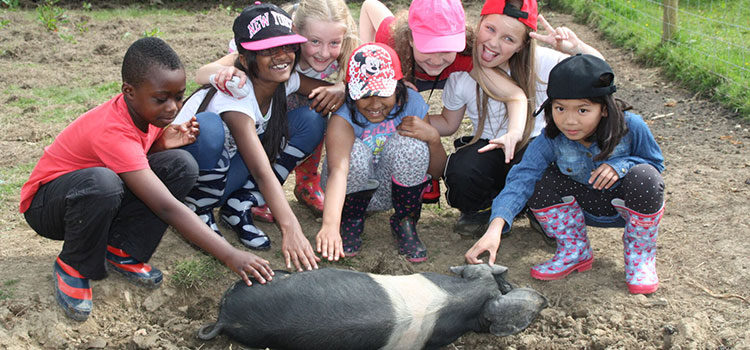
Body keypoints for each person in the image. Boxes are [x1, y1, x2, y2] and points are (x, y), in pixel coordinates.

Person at [19, 37, 275, 322]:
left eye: (179, 97)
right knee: (104, 183)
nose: (173, 108)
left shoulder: (146, 115)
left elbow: (137, 159)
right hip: (48, 208)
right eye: (161, 98)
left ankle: (122, 248)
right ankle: (74, 264)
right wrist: (230, 255)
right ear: (129, 92)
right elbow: (166, 206)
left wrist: (162, 145)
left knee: (180, 165)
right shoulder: (113, 129)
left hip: (94, 198)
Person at [465, 54, 665, 295]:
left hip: (622, 207)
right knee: (536, 177)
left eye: (582, 110)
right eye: (560, 108)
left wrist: (621, 165)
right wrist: (495, 228)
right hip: (580, 208)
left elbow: (655, 164)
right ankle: (574, 250)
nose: (569, 121)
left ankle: (640, 257)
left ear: (604, 109)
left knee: (646, 177)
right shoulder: (550, 139)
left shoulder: (631, 126)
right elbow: (521, 180)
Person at [432, 0, 604, 238]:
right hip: (491, 145)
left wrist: (576, 49)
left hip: (535, 144)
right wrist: (410, 120)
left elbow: (600, 73)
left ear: (522, 46)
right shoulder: (462, 72)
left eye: (508, 39)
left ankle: (541, 211)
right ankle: (482, 209)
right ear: (479, 23)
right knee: (463, 170)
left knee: (550, 165)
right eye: (490, 29)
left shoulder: (542, 62)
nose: (493, 43)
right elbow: (449, 123)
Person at [176, 2, 327, 272]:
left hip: (228, 174)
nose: (282, 56)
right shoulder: (235, 91)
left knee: (311, 119)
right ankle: (199, 211)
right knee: (209, 128)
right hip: (189, 182)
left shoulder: (282, 79)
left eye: (287, 46)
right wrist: (290, 227)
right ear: (244, 59)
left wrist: (340, 88)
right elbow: (260, 170)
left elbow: (323, 90)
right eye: (268, 50)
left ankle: (240, 204)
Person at [195, 0, 359, 218]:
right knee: (294, 103)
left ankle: (305, 181)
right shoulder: (262, 51)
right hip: (251, 119)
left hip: (287, 103)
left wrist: (343, 87)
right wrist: (225, 73)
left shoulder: (344, 53)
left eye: (334, 43)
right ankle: (255, 183)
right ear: (296, 33)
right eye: (315, 41)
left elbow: (366, 89)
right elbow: (200, 74)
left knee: (319, 106)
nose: (324, 52)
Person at [359, 0, 527, 204]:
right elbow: (369, 6)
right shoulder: (390, 41)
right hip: (404, 74)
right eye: (429, 49)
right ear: (410, 38)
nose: (437, 60)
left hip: (445, 79)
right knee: (383, 105)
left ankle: (426, 171)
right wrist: (367, 55)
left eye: (446, 50)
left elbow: (514, 95)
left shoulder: (464, 57)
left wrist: (515, 132)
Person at [315, 42, 446, 263]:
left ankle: (406, 221)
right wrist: (330, 225)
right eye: (365, 95)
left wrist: (433, 137)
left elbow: (436, 171)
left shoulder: (412, 103)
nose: (374, 103)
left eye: (383, 93)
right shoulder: (343, 114)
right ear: (352, 93)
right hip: (351, 189)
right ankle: (350, 220)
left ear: (397, 87)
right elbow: (339, 170)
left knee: (411, 144)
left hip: (391, 192)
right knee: (353, 154)